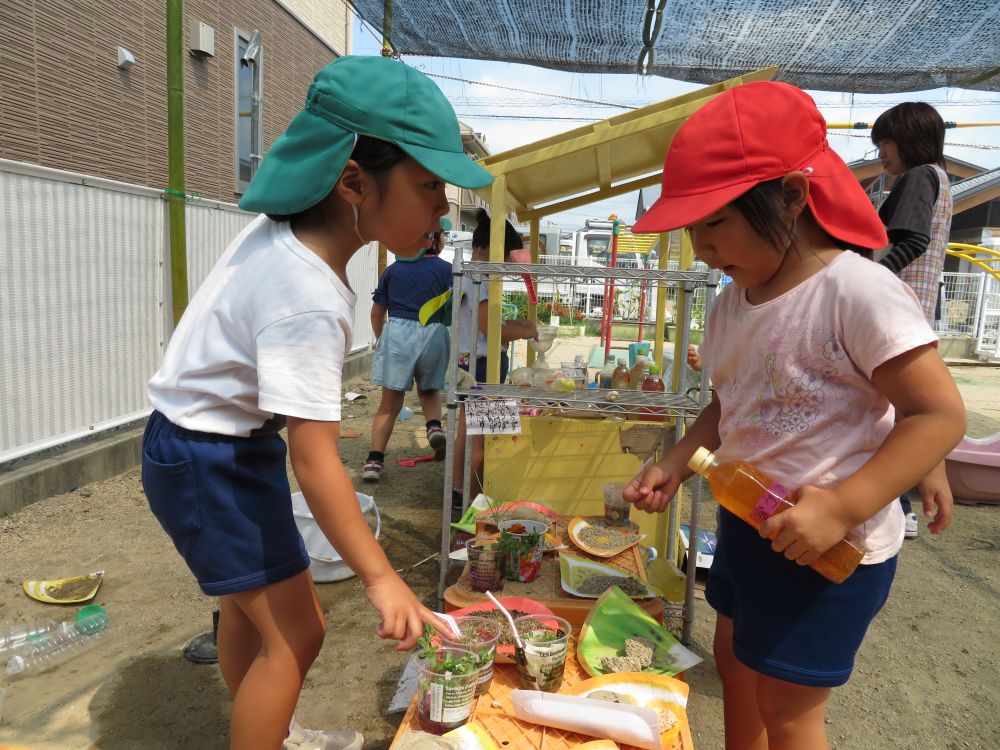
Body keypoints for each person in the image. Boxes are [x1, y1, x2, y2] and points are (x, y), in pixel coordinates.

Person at [141, 56, 493, 750]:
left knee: (250, 616)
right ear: (354, 181)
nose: (441, 207)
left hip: (213, 446)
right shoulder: (307, 292)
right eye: (428, 185)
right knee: (297, 632)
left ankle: (274, 730)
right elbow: (315, 458)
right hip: (209, 459)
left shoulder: (284, 238)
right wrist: (382, 577)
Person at [625, 82, 965, 750]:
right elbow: (729, 401)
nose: (699, 247)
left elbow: (937, 411)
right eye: (691, 229)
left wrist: (843, 506)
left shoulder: (857, 292)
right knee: (736, 665)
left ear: (790, 196)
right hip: (749, 522)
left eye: (713, 223)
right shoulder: (732, 305)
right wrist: (673, 461)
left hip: (829, 544)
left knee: (789, 708)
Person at [872, 102, 956, 539]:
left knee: (893, 409)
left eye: (885, 142)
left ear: (907, 138)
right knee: (906, 407)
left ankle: (897, 503)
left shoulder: (920, 176)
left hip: (897, 307)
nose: (881, 153)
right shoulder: (942, 179)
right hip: (915, 307)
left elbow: (914, 239)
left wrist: (874, 277)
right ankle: (901, 502)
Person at [450, 208, 537, 510]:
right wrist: (523, 331)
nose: (506, 263)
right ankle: (475, 499)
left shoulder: (467, 273)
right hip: (481, 364)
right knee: (484, 435)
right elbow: (490, 329)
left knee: (468, 429)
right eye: (505, 255)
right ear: (491, 248)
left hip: (467, 360)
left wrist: (517, 328)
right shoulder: (481, 278)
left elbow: (486, 326)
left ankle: (460, 490)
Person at [362, 219, 453, 481]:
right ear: (434, 239)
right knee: (428, 390)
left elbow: (377, 312)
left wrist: (382, 339)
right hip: (434, 332)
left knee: (389, 406)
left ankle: (374, 461)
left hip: (399, 333)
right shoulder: (447, 270)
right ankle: (434, 426)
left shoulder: (393, 270)